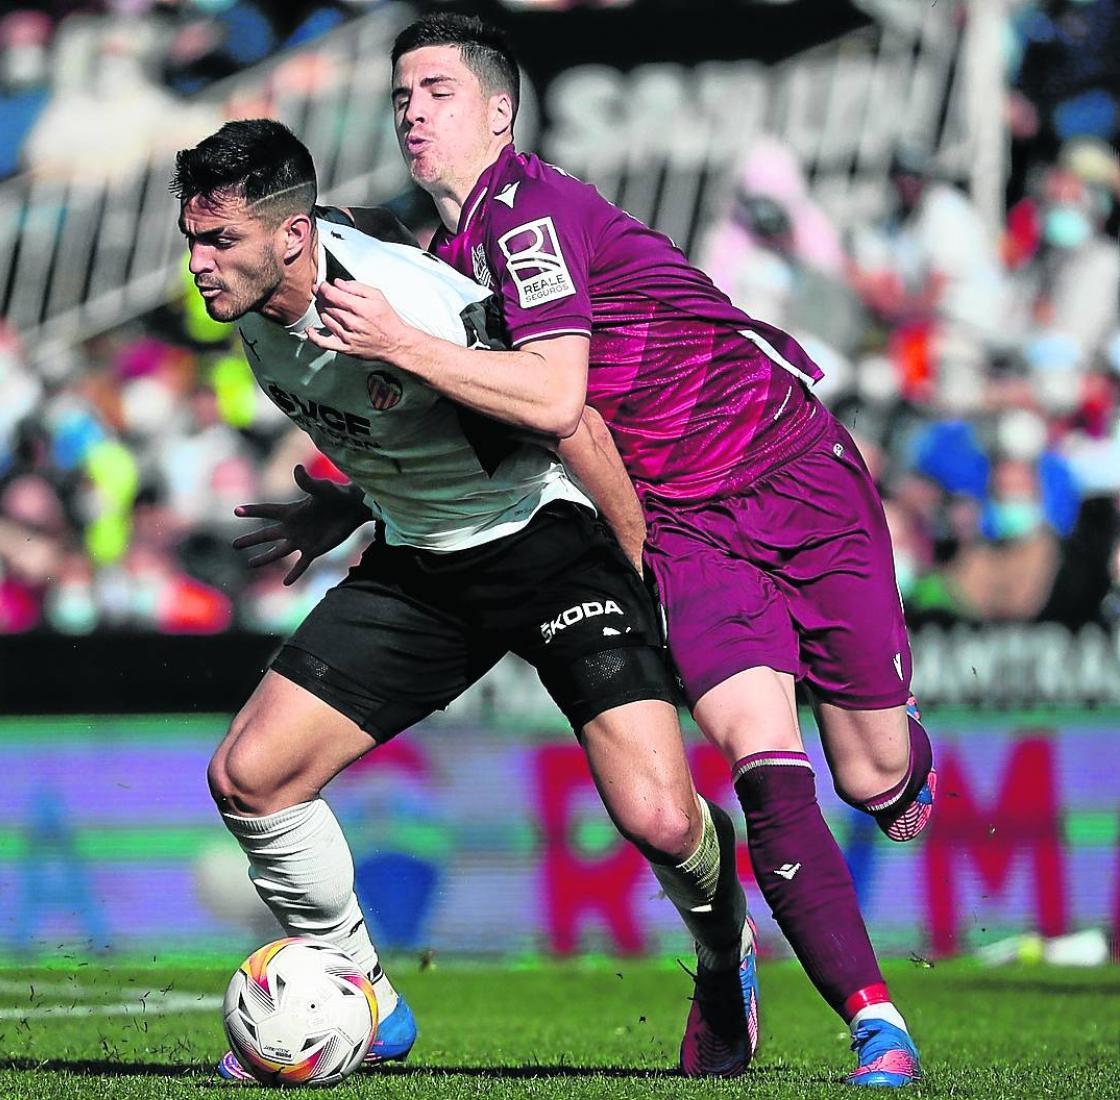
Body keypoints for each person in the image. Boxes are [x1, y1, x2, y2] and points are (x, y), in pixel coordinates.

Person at [304, 14, 932, 1088]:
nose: (413, 109)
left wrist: (399, 344)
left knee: (875, 777)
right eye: (402, 94)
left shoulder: (529, 213)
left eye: (439, 89)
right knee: (758, 762)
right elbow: (484, 430)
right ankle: (879, 1026)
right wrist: (353, 499)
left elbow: (552, 393)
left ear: (499, 111)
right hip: (681, 521)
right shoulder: (446, 264)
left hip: (793, 469)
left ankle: (900, 752)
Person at [170, 119, 756, 1082]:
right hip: (424, 563)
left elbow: (562, 415)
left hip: (553, 545)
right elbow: (404, 427)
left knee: (658, 818)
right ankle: (365, 997)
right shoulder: (256, 309)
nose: (198, 264)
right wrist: (350, 510)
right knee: (250, 777)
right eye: (193, 240)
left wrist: (648, 571)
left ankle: (724, 961)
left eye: (218, 241)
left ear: (290, 236)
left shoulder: (406, 304)